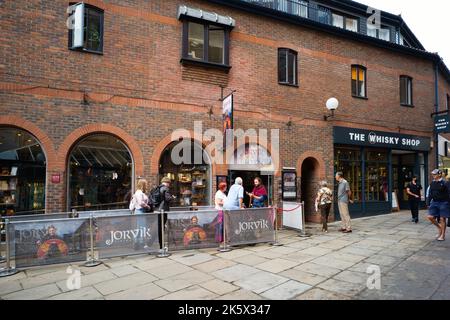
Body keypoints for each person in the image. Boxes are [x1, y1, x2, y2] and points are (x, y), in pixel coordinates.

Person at [426, 169, 449, 241]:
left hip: (444, 202)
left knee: (442, 218)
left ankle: (442, 235)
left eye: (434, 174)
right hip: (434, 202)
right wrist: (428, 203)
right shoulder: (432, 183)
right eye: (432, 174)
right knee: (430, 217)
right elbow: (430, 193)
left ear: (439, 174)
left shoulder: (445, 183)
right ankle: (439, 228)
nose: (433, 175)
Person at [154, 177, 175, 250]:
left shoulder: (158, 187)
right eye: (169, 183)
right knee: (161, 228)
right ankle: (161, 246)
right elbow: (168, 198)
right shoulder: (165, 188)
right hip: (163, 210)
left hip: (158, 210)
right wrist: (172, 197)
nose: (169, 185)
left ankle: (150, 243)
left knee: (159, 227)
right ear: (167, 182)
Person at [130, 179, 151, 249]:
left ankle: (137, 243)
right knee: (142, 228)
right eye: (146, 184)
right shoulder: (139, 193)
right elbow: (140, 203)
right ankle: (141, 243)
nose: (147, 185)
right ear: (143, 185)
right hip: (140, 211)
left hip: (141, 211)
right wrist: (147, 206)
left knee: (140, 228)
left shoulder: (140, 192)